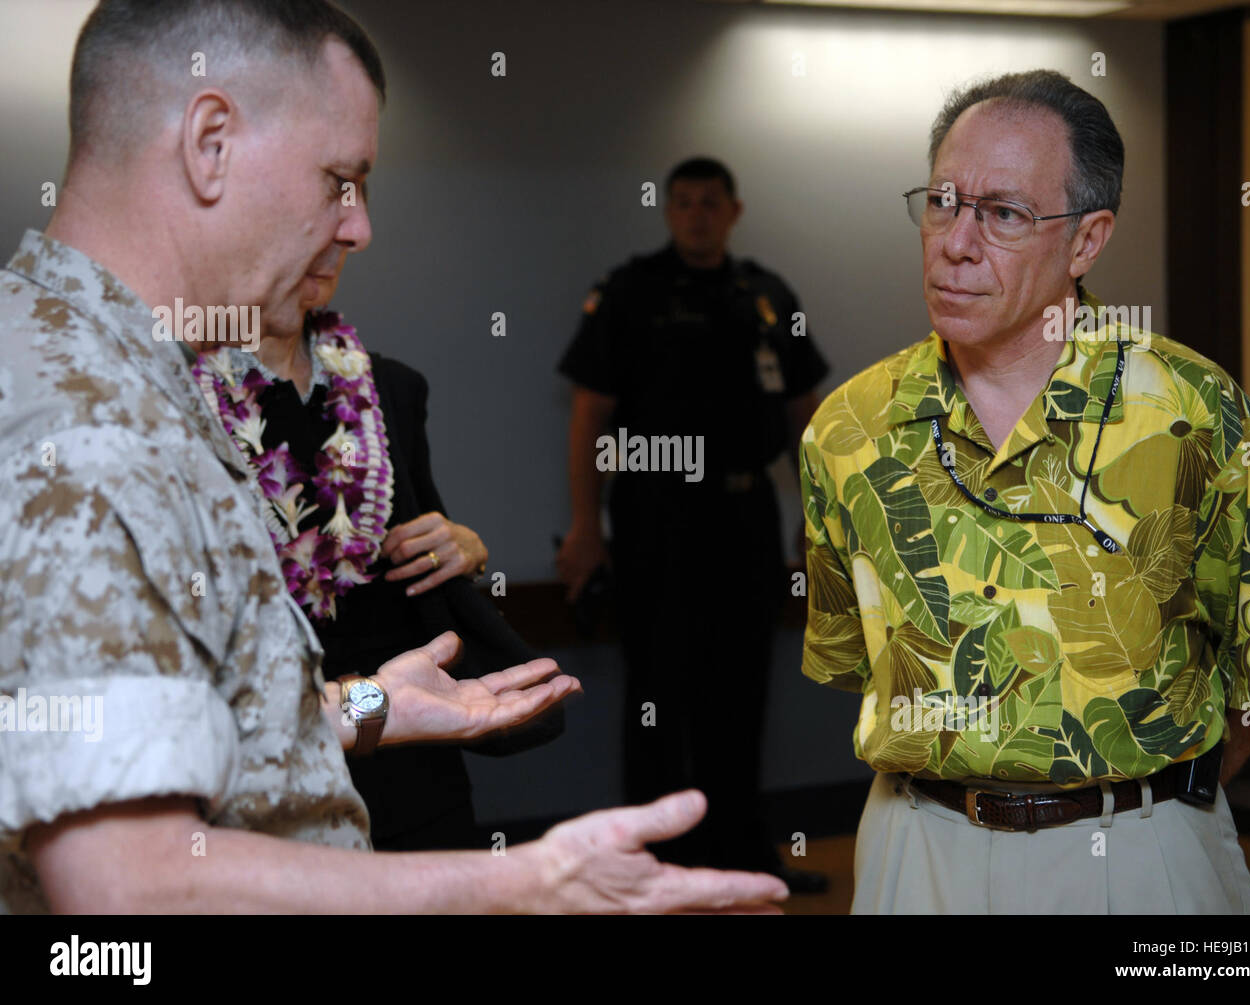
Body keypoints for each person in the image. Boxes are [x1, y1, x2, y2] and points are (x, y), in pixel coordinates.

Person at [0, 0, 788, 915]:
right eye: (339, 178)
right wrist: (522, 884)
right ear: (210, 141)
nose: (358, 227)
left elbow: (147, 733)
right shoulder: (92, 420)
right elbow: (131, 890)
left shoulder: (82, 356)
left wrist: (369, 705)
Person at [799, 68, 1250, 914]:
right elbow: (851, 657)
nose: (956, 242)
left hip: (1143, 854)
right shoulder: (849, 428)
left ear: (1087, 240)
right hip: (915, 850)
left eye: (1003, 213)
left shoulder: (1194, 415)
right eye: (943, 201)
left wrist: (1143, 791)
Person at [192, 256, 562, 852]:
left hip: (405, 744)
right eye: (329, 193)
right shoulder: (177, 394)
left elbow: (426, 537)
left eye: (358, 193)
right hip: (259, 762)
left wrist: (465, 549)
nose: (348, 230)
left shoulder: (390, 388)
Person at [557, 157, 829, 887]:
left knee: (741, 692)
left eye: (711, 202)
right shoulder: (631, 292)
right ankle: (648, 863)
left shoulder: (766, 296)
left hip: (743, 515)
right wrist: (585, 529)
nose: (697, 214)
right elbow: (590, 414)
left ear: (734, 211)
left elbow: (808, 414)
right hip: (656, 517)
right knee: (658, 695)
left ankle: (742, 851)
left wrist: (818, 516)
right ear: (667, 210)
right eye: (683, 202)